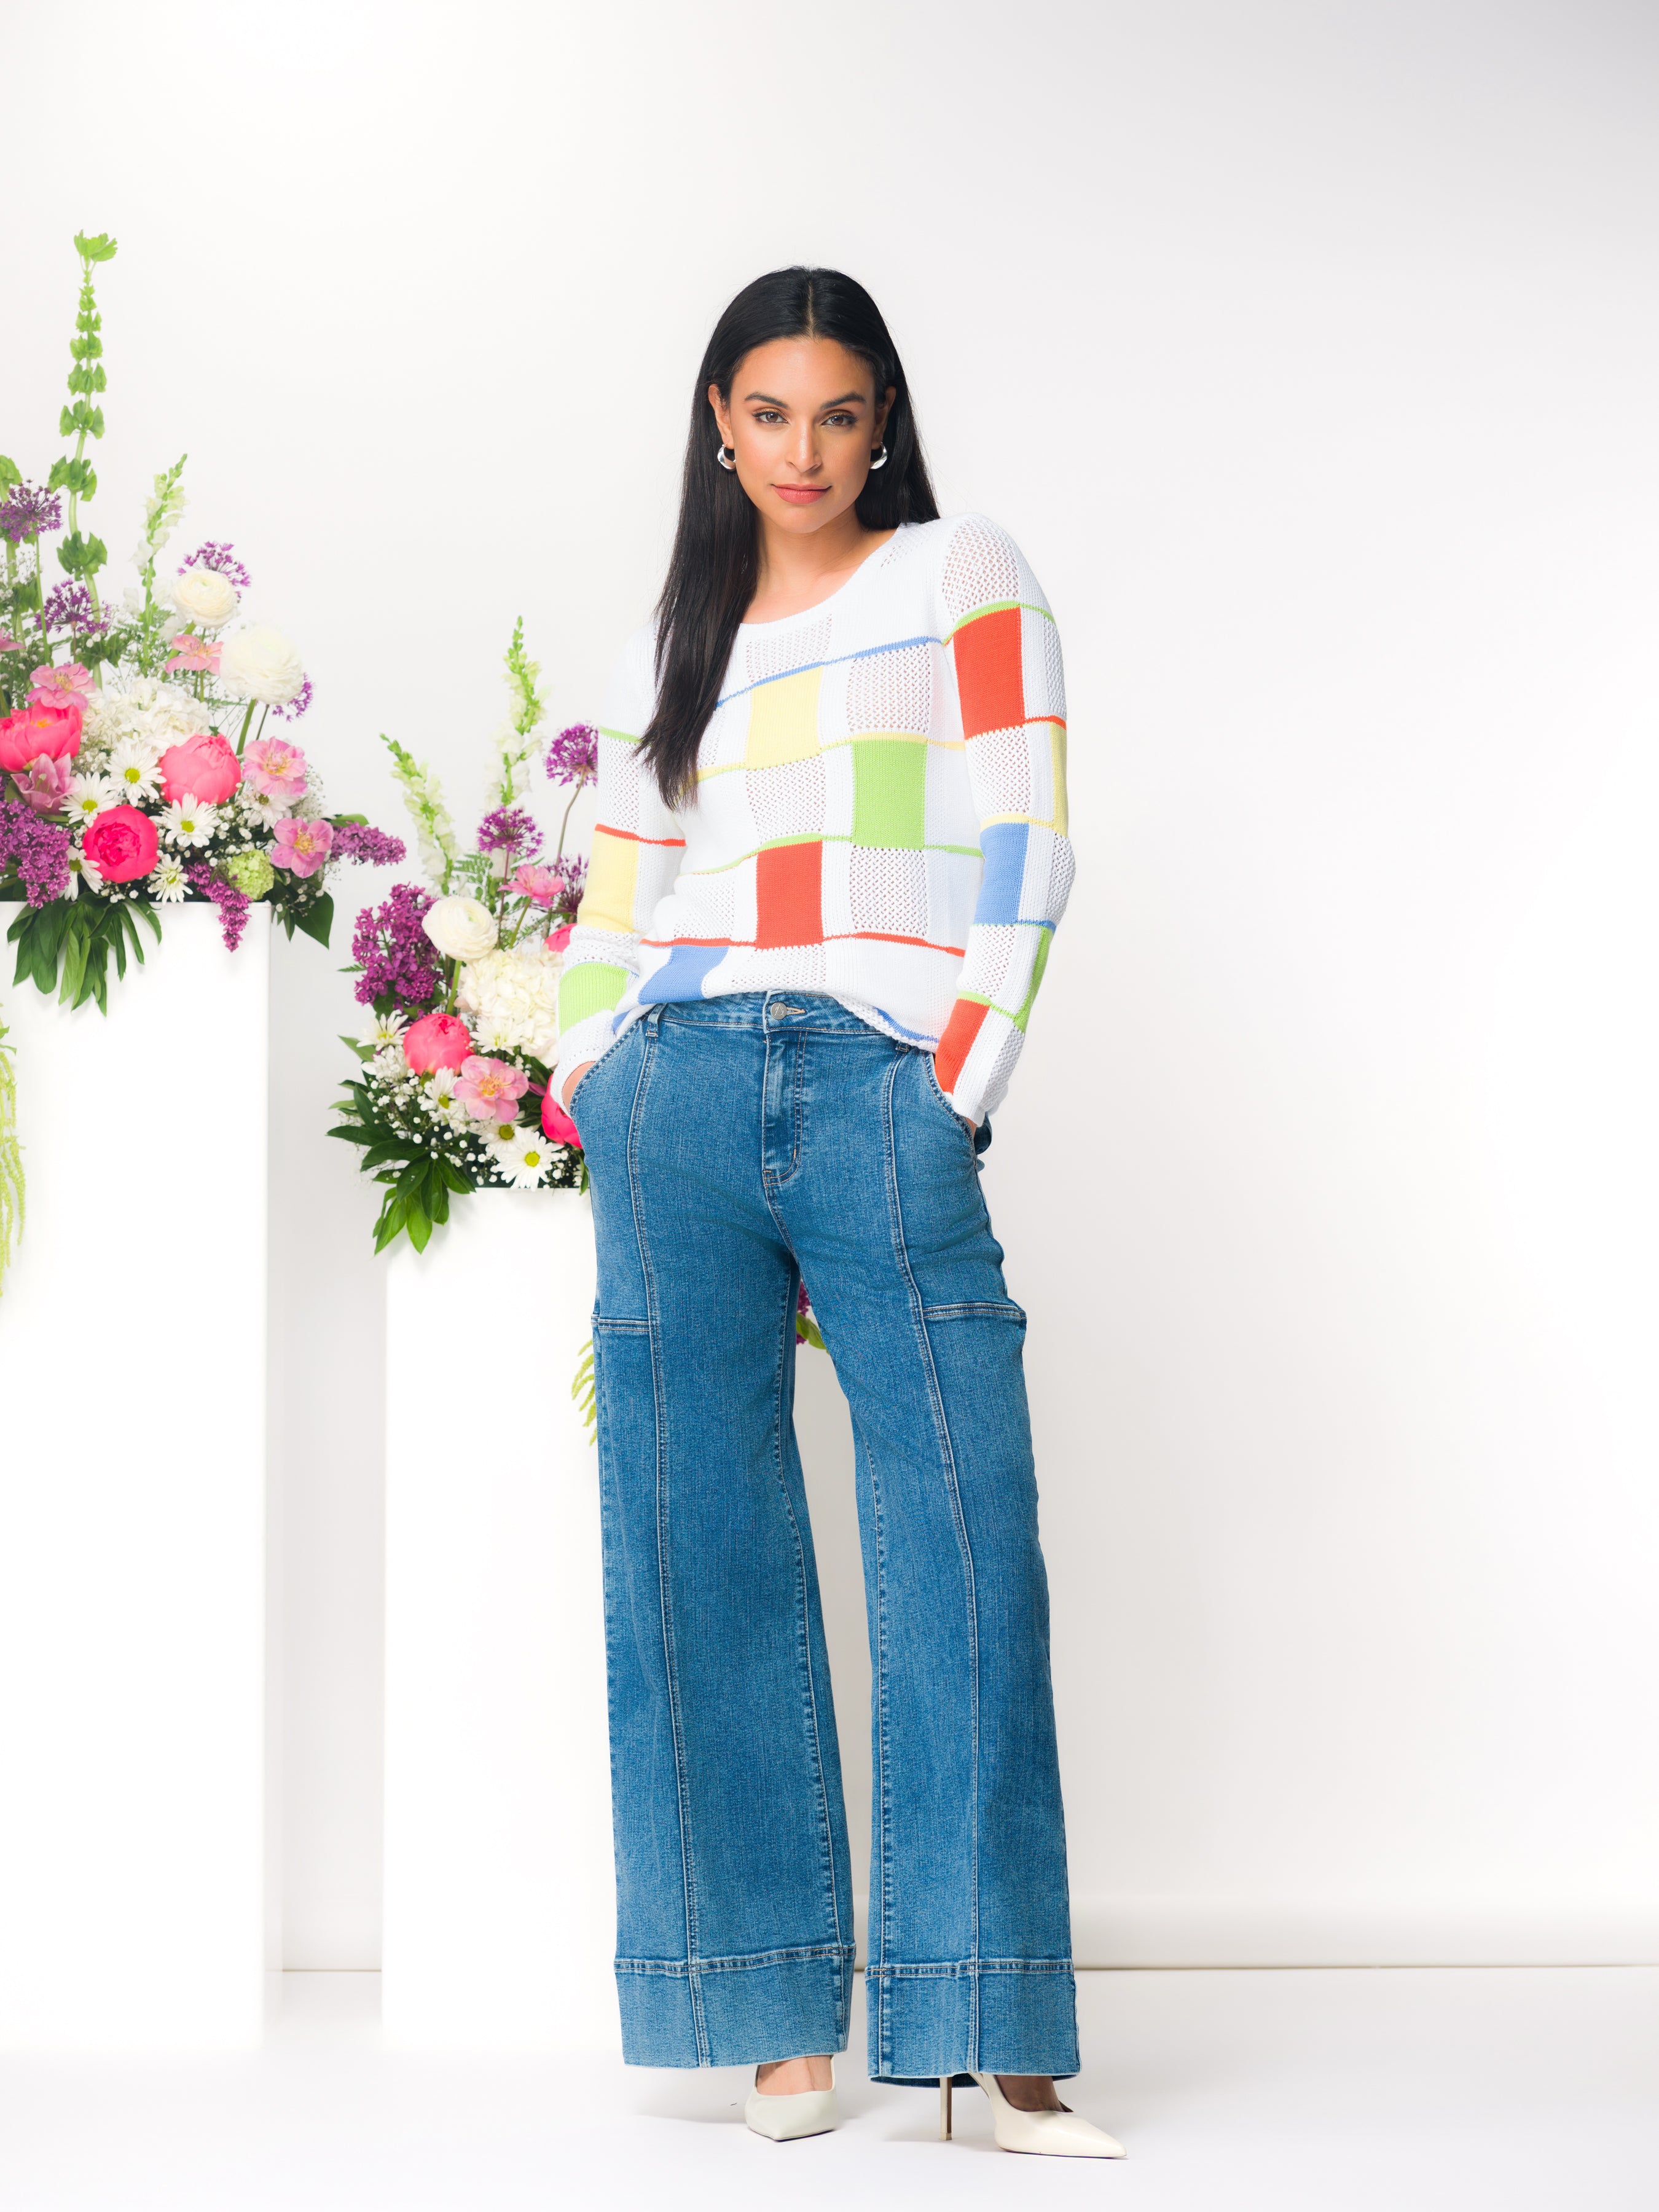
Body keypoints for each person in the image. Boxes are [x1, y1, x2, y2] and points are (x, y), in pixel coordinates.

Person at [552, 267, 1121, 2160]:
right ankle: (770, 2029)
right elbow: (621, 877)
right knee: (692, 1553)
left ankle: (992, 2041)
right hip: (679, 1098)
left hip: (880, 1082)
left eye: (842, 414)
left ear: (882, 425)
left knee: (964, 1536)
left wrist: (954, 1082)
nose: (806, 451)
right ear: (719, 419)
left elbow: (1028, 834)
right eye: (771, 413)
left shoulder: (961, 571)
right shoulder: (678, 635)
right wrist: (590, 1069)